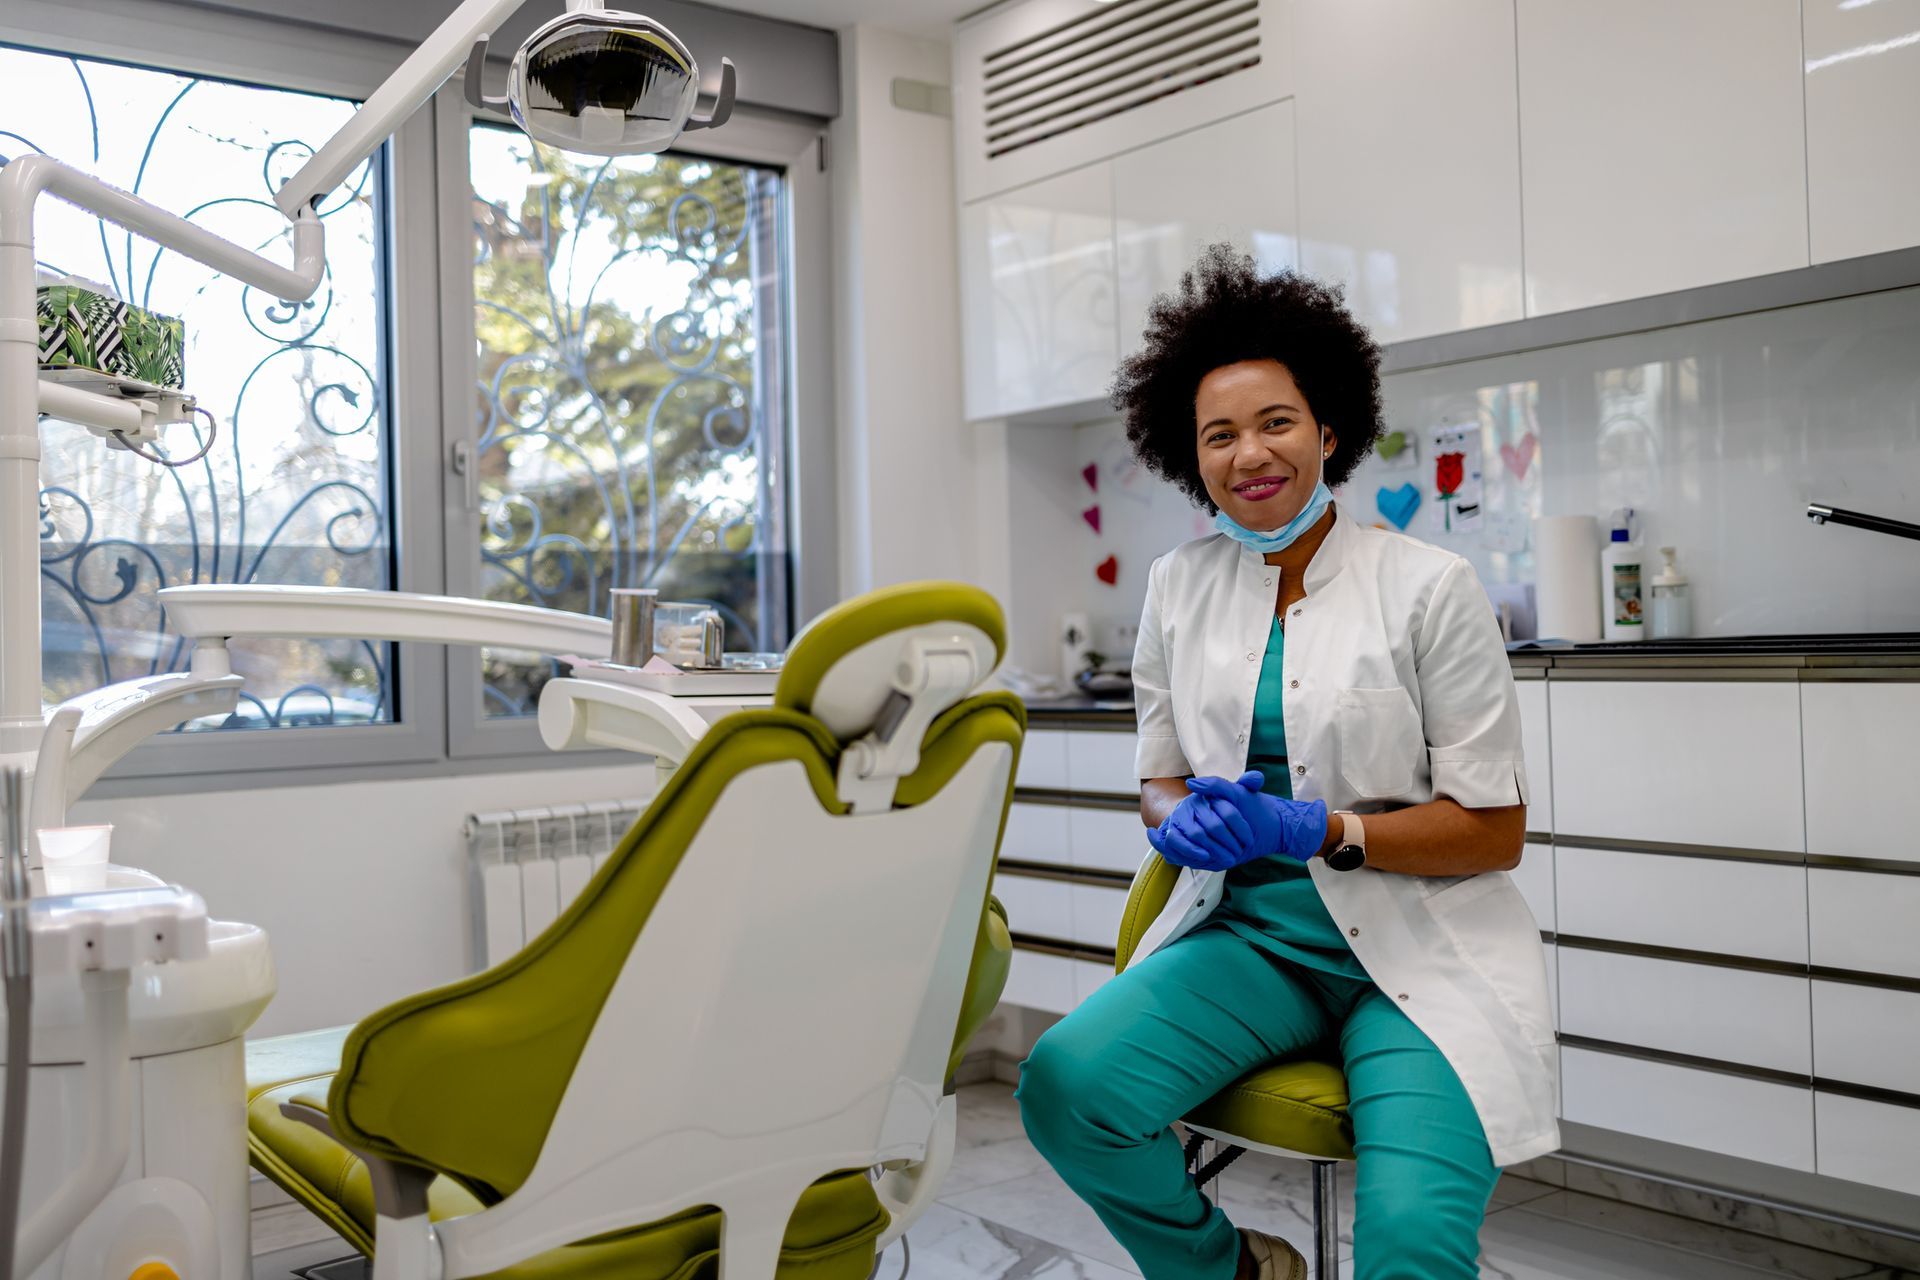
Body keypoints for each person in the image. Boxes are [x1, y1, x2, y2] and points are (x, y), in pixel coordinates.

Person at [1016, 246, 1557, 1280]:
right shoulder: (1178, 585)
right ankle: (1232, 1269)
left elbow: (1494, 827)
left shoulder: (1430, 586)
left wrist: (1320, 828)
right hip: (1254, 945)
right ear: (1192, 455)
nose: (1249, 451)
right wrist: (1175, 818)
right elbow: (1158, 771)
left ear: (1328, 431)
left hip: (1418, 954)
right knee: (1065, 1084)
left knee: (1408, 1244)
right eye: (1219, 433)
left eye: (1276, 422)